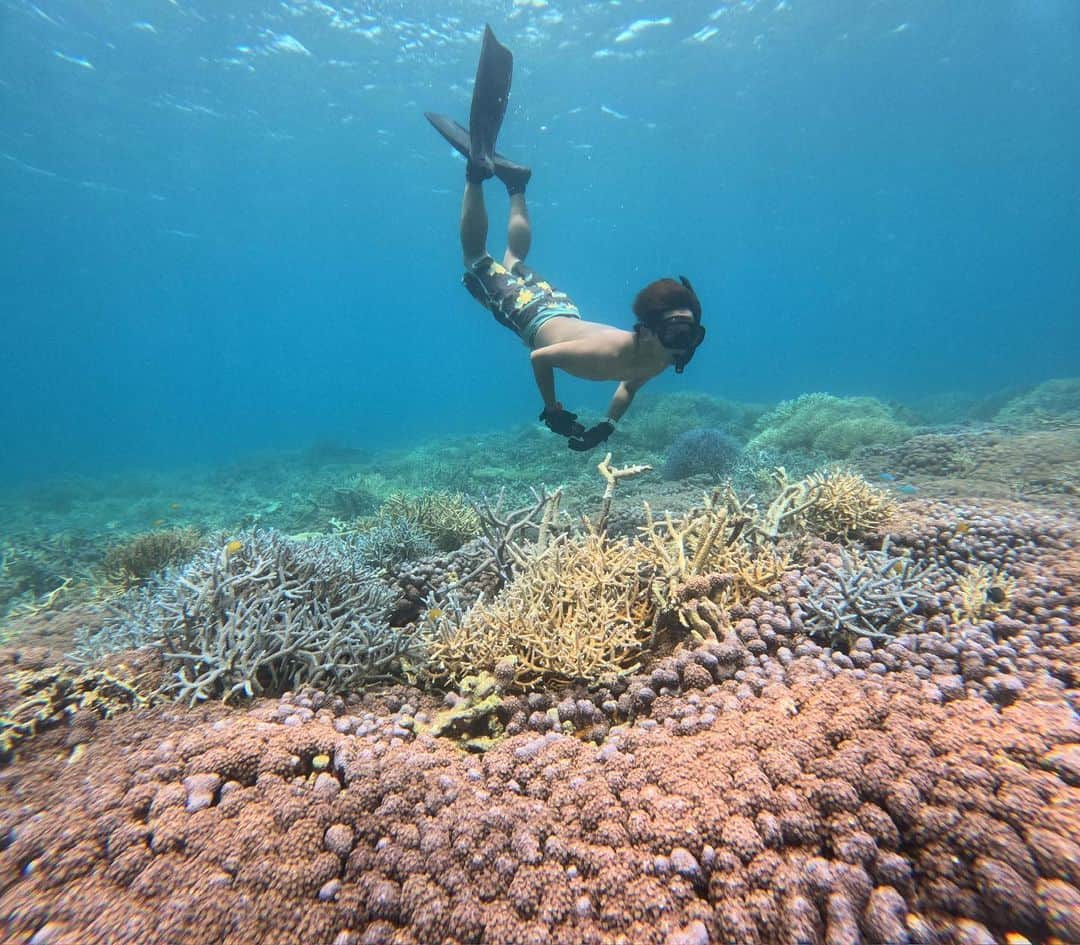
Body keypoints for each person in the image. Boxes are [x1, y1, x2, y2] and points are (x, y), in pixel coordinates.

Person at [426, 26, 705, 452]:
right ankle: (478, 173)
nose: (684, 344)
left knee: (513, 261)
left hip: (562, 310)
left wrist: (606, 428)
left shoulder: (662, 356)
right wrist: (552, 408)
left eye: (691, 334)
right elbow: (541, 357)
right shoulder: (607, 357)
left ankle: (516, 186)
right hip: (536, 317)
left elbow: (628, 389)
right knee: (477, 260)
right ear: (647, 330)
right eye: (676, 332)